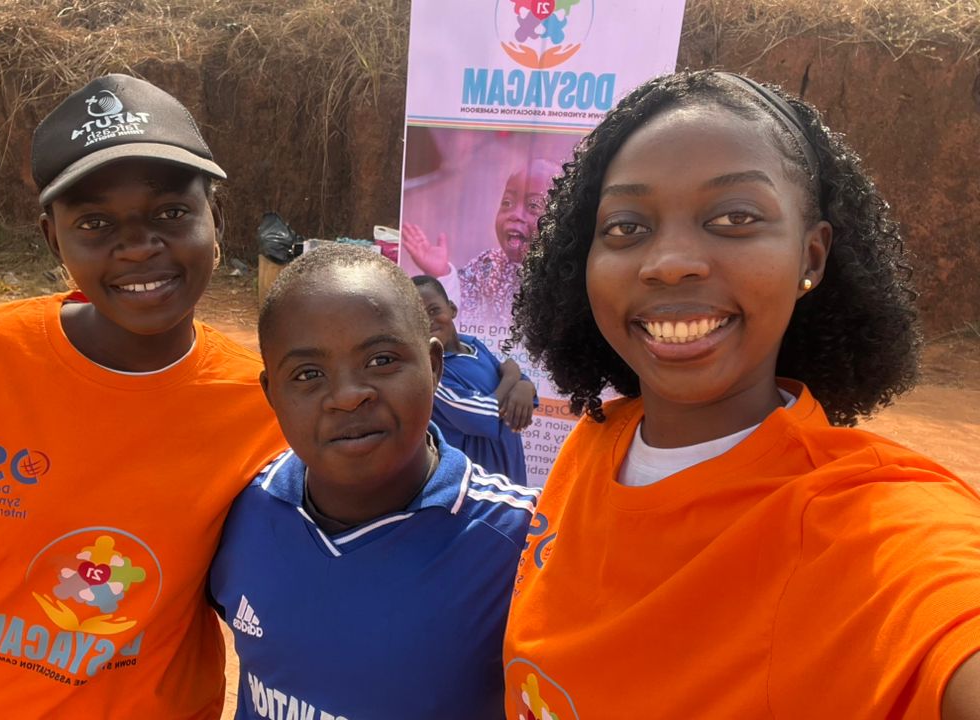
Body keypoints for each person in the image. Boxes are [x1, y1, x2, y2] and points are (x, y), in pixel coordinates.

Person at [503, 70, 980, 719]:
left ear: (811, 257)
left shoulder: (864, 526)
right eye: (626, 226)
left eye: (734, 218)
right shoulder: (595, 442)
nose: (670, 262)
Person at [0, 74, 285, 718]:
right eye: (95, 222)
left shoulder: (263, 402)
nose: (139, 246)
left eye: (170, 212)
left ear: (217, 220)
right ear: (54, 239)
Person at [209, 243, 539, 719]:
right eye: (307, 374)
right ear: (272, 395)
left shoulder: (521, 544)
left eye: (381, 360)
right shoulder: (236, 512)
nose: (347, 396)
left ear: (433, 367)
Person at [412, 274, 536, 482]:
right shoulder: (431, 372)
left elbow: (520, 388)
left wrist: (524, 386)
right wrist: (511, 375)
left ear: (452, 309)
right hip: (475, 485)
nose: (429, 321)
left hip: (512, 468)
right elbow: (481, 414)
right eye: (419, 317)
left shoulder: (473, 346)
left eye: (434, 310)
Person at [402, 158, 556, 320]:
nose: (515, 215)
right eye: (507, 203)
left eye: (533, 206)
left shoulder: (562, 275)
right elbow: (458, 313)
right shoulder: (488, 265)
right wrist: (442, 273)